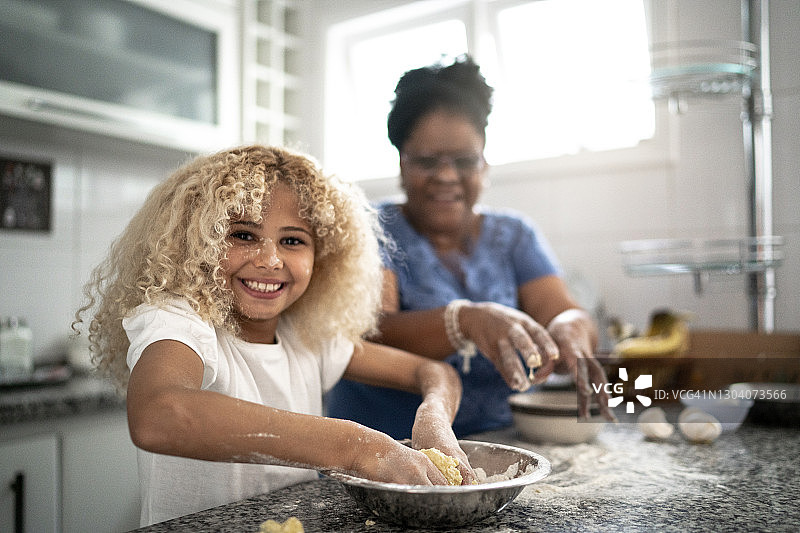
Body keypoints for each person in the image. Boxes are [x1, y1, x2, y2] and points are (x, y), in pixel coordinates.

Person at [73, 145, 475, 527]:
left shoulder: (307, 337)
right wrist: (355, 445)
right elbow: (158, 415)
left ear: (324, 257)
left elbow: (435, 373)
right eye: (243, 235)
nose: (269, 260)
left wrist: (434, 423)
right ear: (195, 242)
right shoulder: (178, 319)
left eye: (293, 240)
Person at [327, 55, 615, 439]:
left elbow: (563, 312)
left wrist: (570, 330)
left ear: (485, 164)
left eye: (464, 161)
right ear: (401, 163)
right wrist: (462, 320)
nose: (446, 176)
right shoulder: (371, 229)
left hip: (503, 442)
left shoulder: (515, 235)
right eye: (427, 161)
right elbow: (374, 332)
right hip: (384, 449)